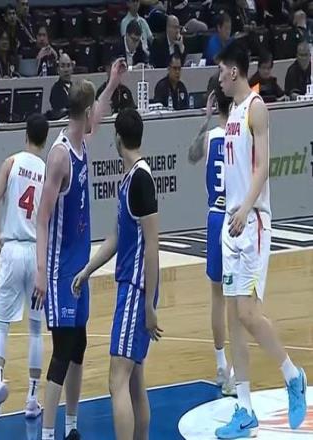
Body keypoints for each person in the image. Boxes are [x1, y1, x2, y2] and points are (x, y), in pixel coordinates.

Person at [215, 40, 307, 439]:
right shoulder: (233, 112)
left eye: (221, 70)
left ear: (234, 70)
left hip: (251, 222)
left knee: (249, 314)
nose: (218, 77)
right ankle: (244, 407)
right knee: (235, 319)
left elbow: (264, 166)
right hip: (231, 223)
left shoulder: (256, 107)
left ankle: (293, 375)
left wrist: (245, 208)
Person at [33, 58, 127, 440]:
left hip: (79, 266)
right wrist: (41, 272)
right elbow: (41, 219)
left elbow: (98, 115)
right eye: (93, 113)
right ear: (83, 113)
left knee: (79, 346)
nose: (96, 119)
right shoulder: (60, 156)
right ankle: (47, 434)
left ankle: (71, 426)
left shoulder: (80, 140)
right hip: (59, 270)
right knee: (62, 350)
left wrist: (111, 83)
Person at [72, 108, 161, 440]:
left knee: (116, 380)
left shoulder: (140, 179)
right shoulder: (130, 178)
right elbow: (116, 237)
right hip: (135, 286)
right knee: (135, 379)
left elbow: (152, 245)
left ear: (118, 140)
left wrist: (149, 305)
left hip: (137, 287)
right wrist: (87, 270)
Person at [0, 114, 49, 424]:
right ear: (45, 140)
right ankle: (32, 398)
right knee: (35, 330)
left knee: (0, 325)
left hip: (11, 251)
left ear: (25, 135)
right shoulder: (47, 171)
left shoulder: (11, 163)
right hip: (36, 253)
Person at [187, 85, 236, 396]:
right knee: (236, 296)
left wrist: (205, 119)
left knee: (217, 295)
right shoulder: (240, 134)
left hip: (215, 217)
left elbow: (191, 155)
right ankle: (236, 370)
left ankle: (221, 364)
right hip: (235, 218)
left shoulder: (209, 138)